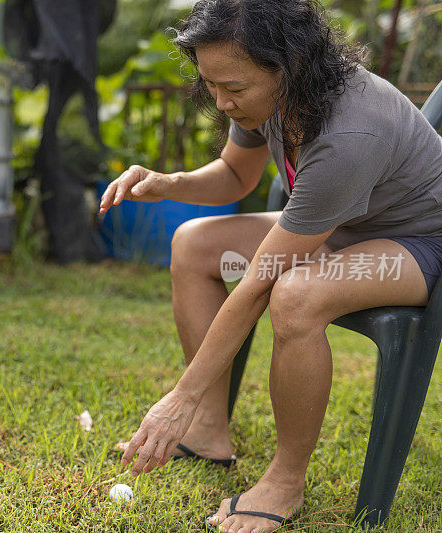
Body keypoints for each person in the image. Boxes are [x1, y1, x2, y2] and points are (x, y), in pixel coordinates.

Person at [99, 0, 442, 531]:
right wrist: (169, 183)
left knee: (296, 294)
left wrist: (177, 398)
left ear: (292, 63)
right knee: (193, 243)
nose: (221, 101)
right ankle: (209, 431)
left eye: (233, 88)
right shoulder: (271, 95)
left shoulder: (349, 131)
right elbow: (235, 177)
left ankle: (285, 481)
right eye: (211, 85)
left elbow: (258, 284)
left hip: (421, 243)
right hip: (342, 228)